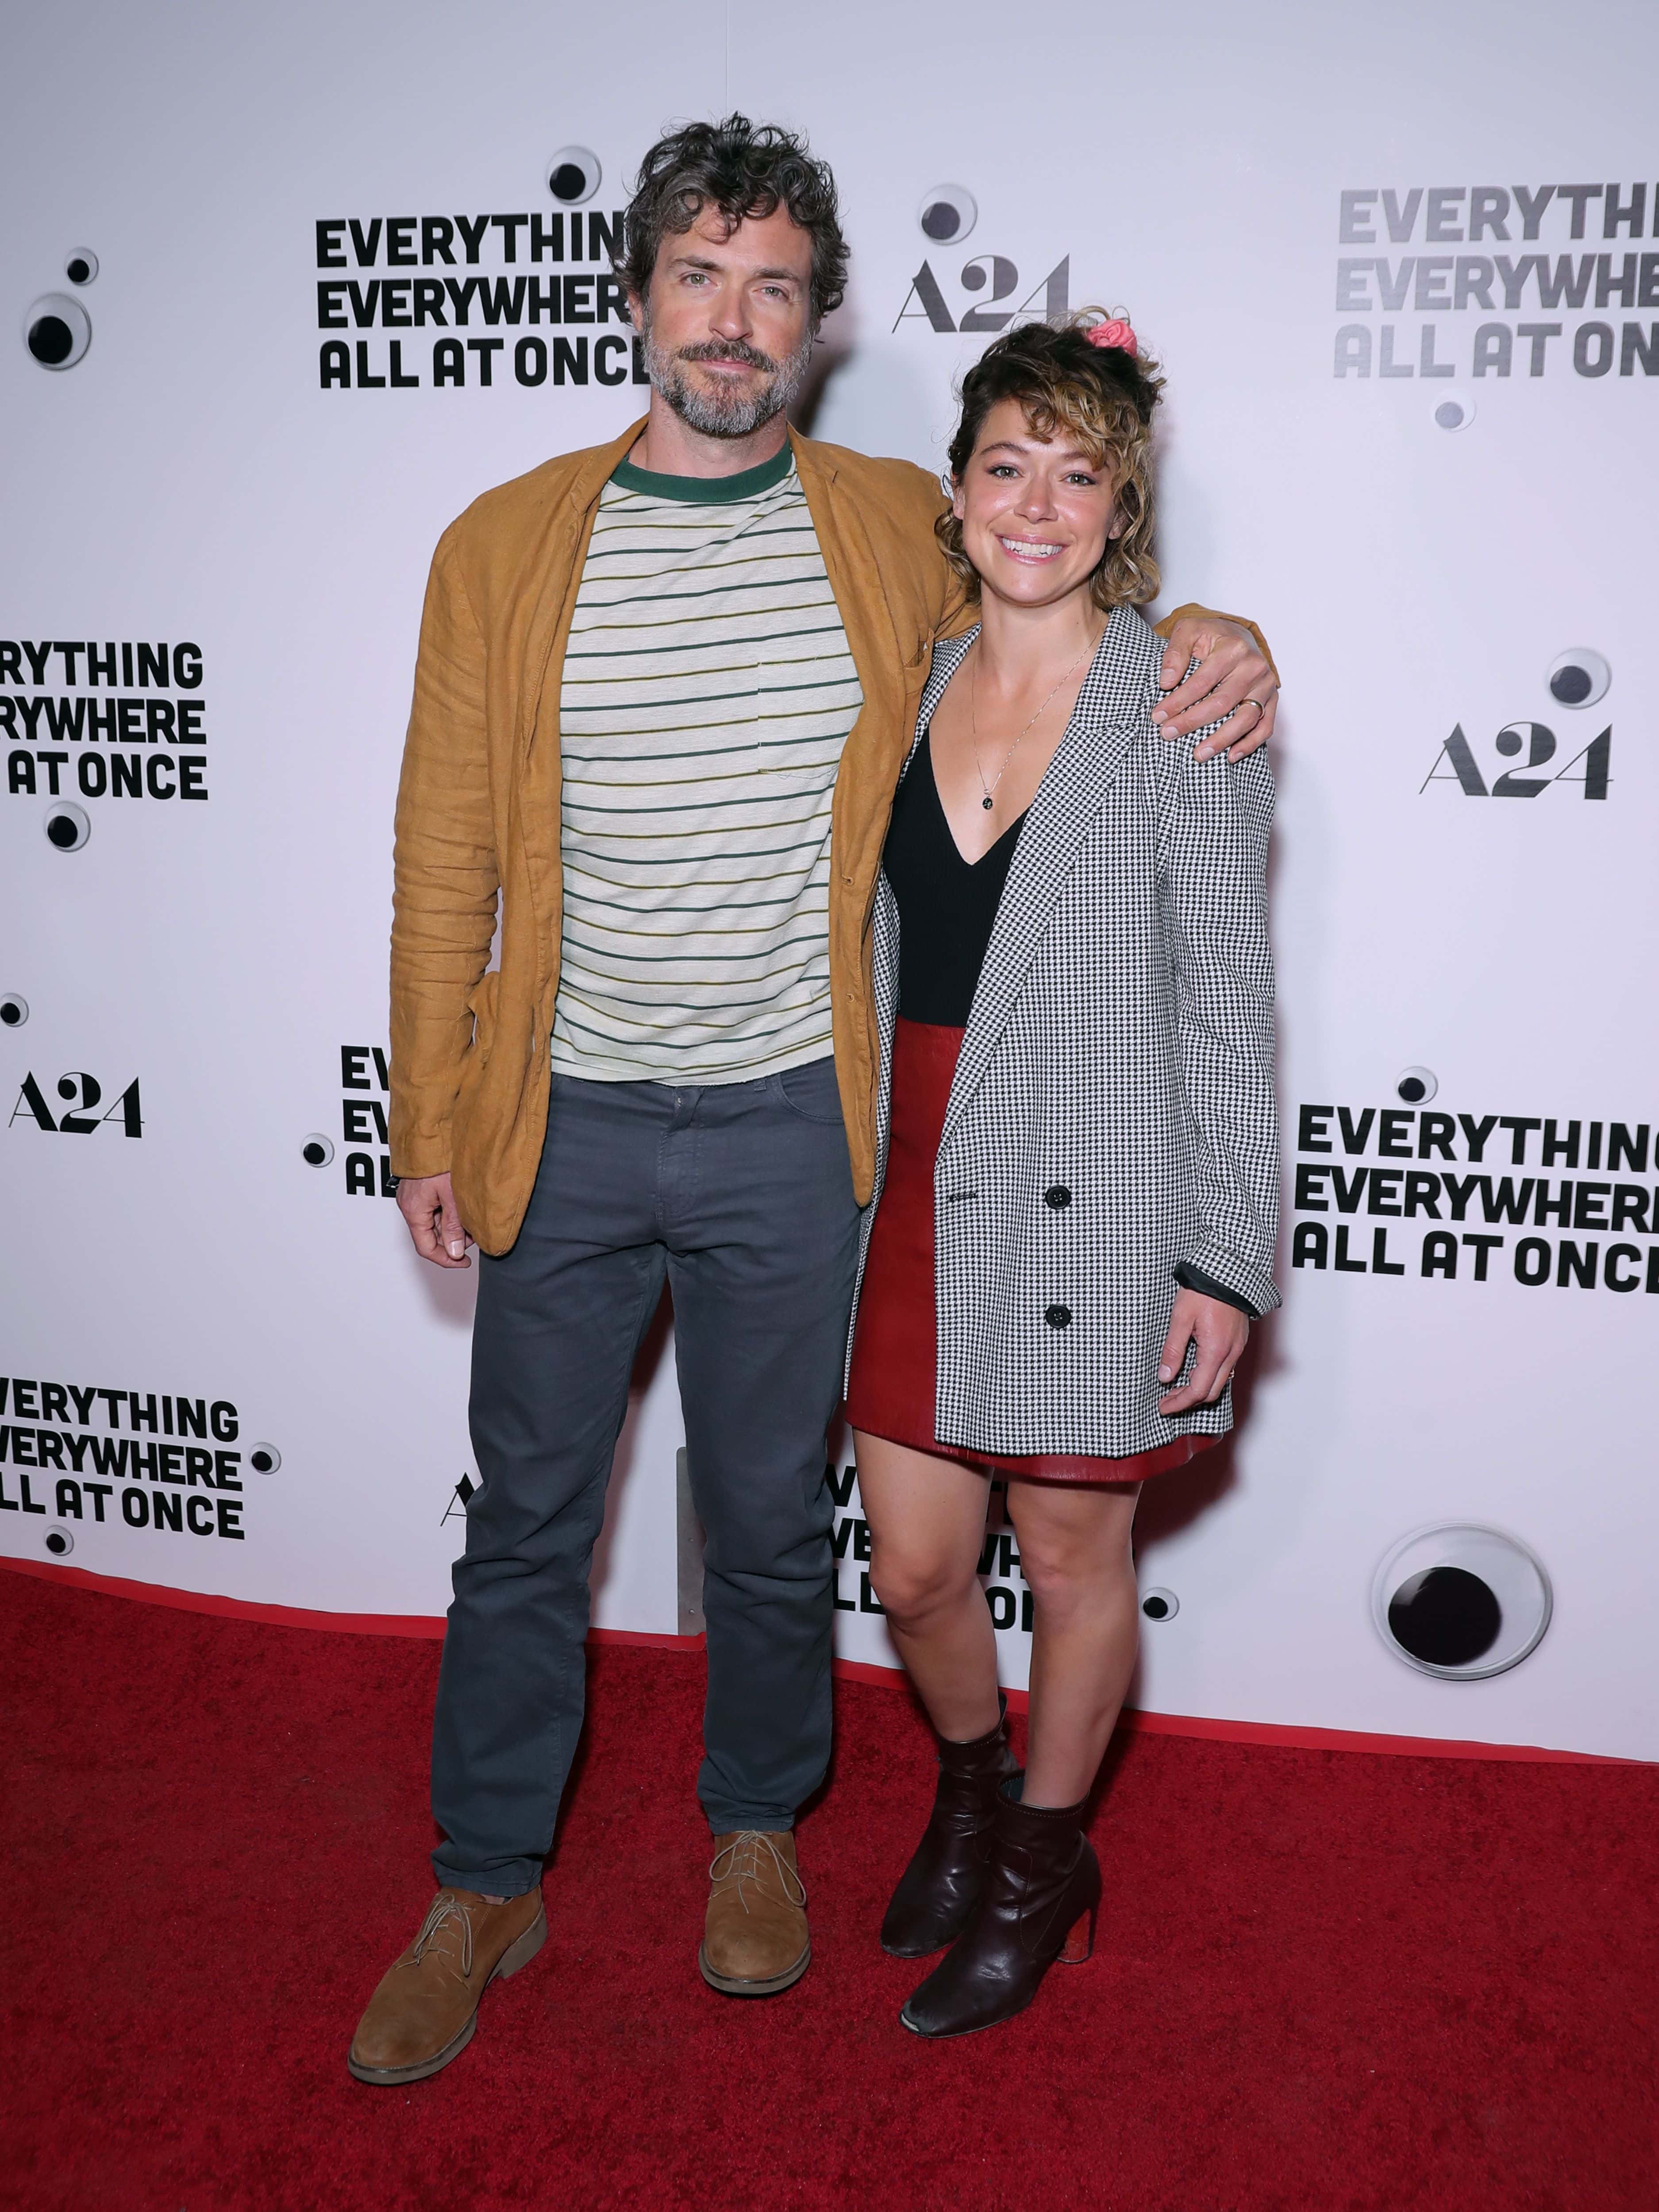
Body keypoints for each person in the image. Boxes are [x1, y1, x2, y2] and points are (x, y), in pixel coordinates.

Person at [348, 115, 1278, 2085]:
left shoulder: (886, 519)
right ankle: (479, 1876)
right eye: (697, 274)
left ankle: (753, 1828)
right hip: (563, 1115)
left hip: (795, 1118)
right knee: (527, 1520)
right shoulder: (503, 544)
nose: (732, 318)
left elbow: (1075, 580)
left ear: (820, 322)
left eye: (773, 284)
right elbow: (446, 854)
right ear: (637, 298)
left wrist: (1221, 632)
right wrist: (428, 1108)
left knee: (774, 1521)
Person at [844, 313, 1279, 2039]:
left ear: (1119, 503)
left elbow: (1232, 1001)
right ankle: (967, 1786)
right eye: (1005, 462)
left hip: (1093, 1180)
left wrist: (1225, 1255)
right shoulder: (902, 677)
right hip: (908, 1175)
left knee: (1074, 1553)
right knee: (917, 1566)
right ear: (953, 493)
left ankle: (1040, 1859)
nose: (1036, 500)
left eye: (1075, 469)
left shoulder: (1177, 695)